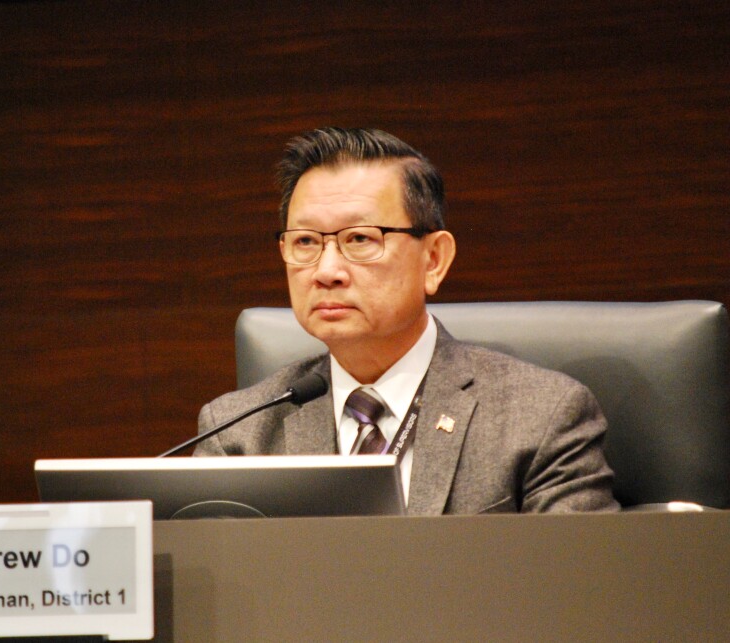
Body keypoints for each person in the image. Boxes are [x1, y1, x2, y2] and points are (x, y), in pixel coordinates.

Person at [194, 127, 619, 514]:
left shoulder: (542, 417)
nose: (326, 271)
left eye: (359, 239)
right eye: (305, 241)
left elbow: (581, 586)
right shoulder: (239, 434)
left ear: (434, 259)